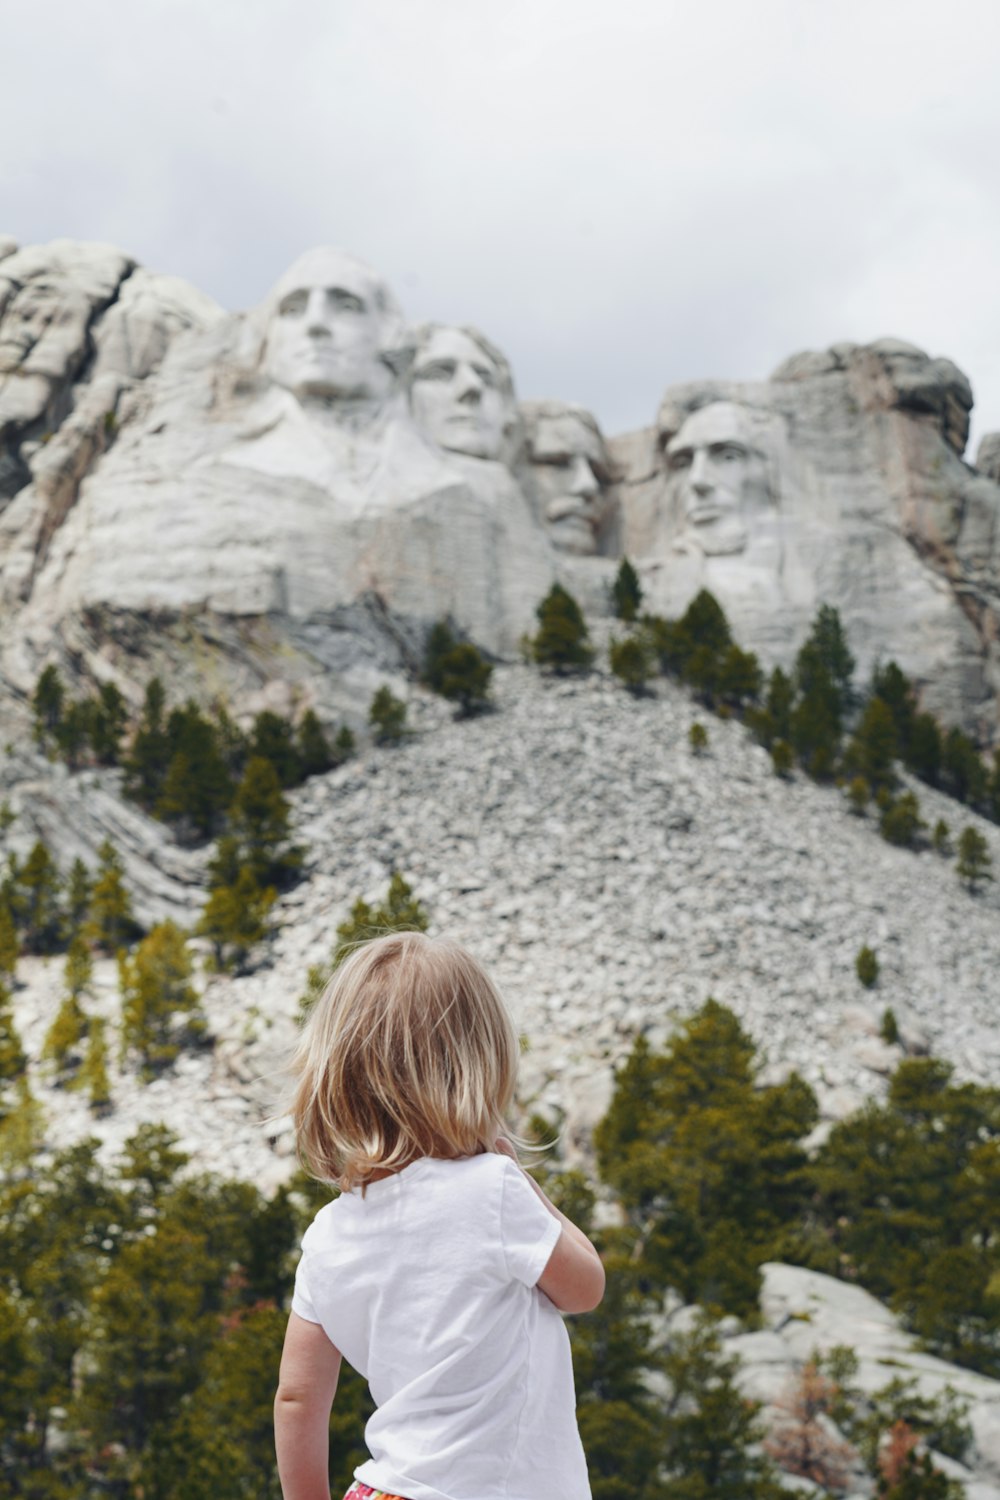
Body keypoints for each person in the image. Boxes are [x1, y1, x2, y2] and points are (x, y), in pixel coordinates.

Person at [274, 930, 604, 1500]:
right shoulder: (494, 1189)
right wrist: (523, 1180)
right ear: (480, 1066)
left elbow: (297, 1398)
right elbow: (585, 1288)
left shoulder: (328, 1233)